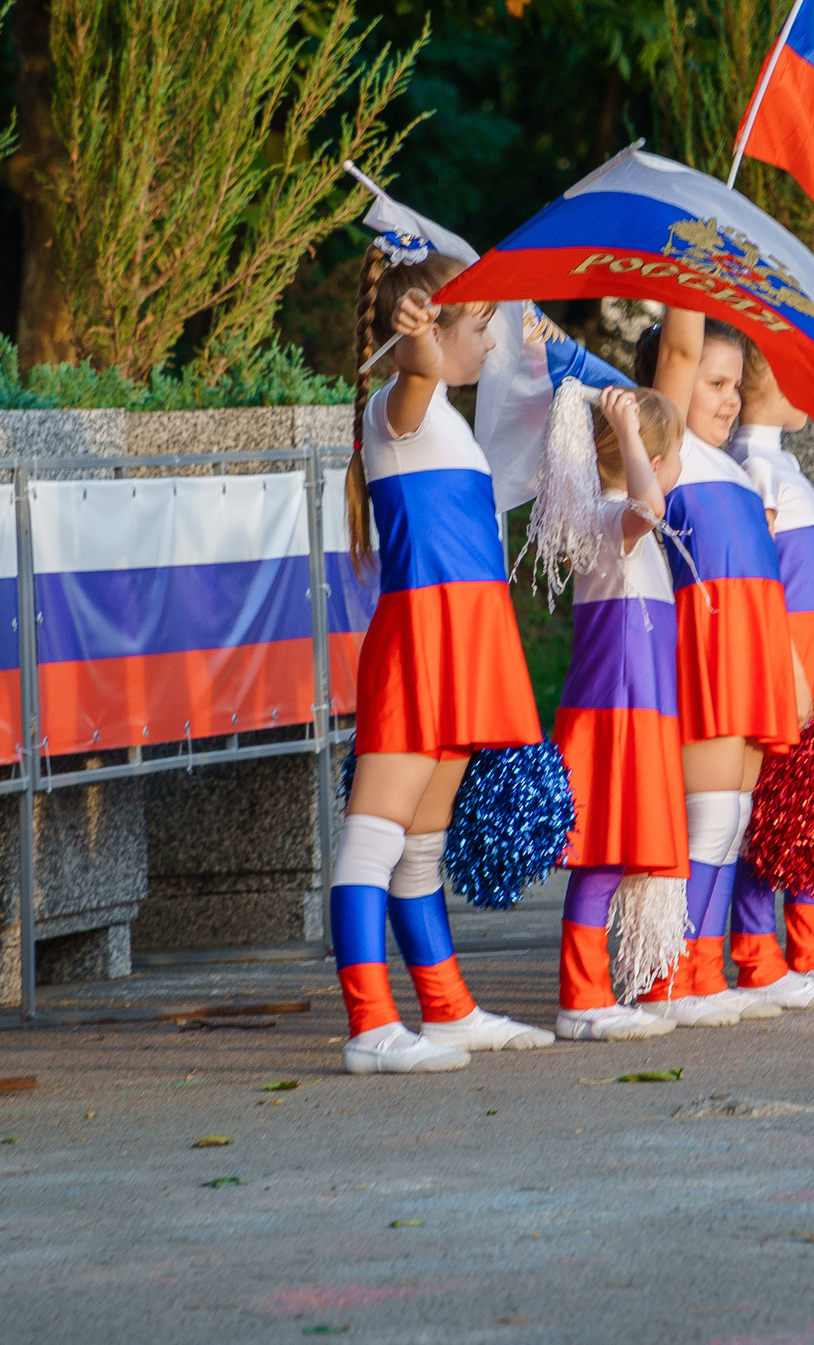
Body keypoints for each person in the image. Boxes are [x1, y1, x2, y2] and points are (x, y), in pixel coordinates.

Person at [333, 242, 556, 1074]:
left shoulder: (447, 421)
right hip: (423, 643)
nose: (490, 343)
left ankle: (447, 1009)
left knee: (419, 848)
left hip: (465, 639)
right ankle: (367, 1023)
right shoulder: (405, 401)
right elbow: (422, 363)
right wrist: (414, 334)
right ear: (429, 325)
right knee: (373, 839)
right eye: (481, 324)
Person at [631, 311, 807, 1027]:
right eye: (714, 382)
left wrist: (791, 671)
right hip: (702, 652)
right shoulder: (665, 443)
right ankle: (666, 973)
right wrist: (689, 278)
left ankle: (700, 967)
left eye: (736, 383)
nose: (731, 398)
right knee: (705, 820)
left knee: (731, 820)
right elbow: (677, 343)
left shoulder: (736, 465)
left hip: (751, 652)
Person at [549, 385, 692, 1041]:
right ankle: (581, 995)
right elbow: (648, 504)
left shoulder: (614, 528)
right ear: (652, 460)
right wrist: (633, 431)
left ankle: (609, 987)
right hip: (616, 710)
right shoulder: (612, 523)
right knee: (600, 856)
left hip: (637, 708)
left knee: (613, 853)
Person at [725, 346, 814, 1008]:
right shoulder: (755, 467)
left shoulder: (775, 462)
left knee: (807, 804)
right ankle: (757, 953)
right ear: (767, 382)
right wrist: (790, 667)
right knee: (771, 809)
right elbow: (760, 580)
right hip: (793, 656)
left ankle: (804, 950)